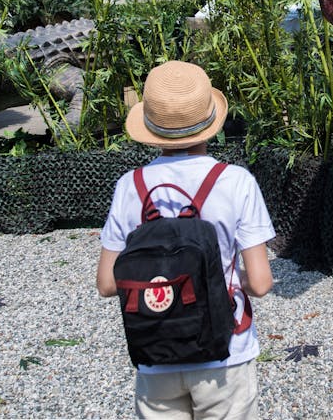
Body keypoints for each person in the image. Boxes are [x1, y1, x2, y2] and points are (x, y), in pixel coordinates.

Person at [96, 60, 275, 419]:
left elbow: (106, 284)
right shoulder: (236, 182)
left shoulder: (130, 186)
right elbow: (260, 283)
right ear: (210, 122)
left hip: (155, 349)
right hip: (226, 353)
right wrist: (214, 277)